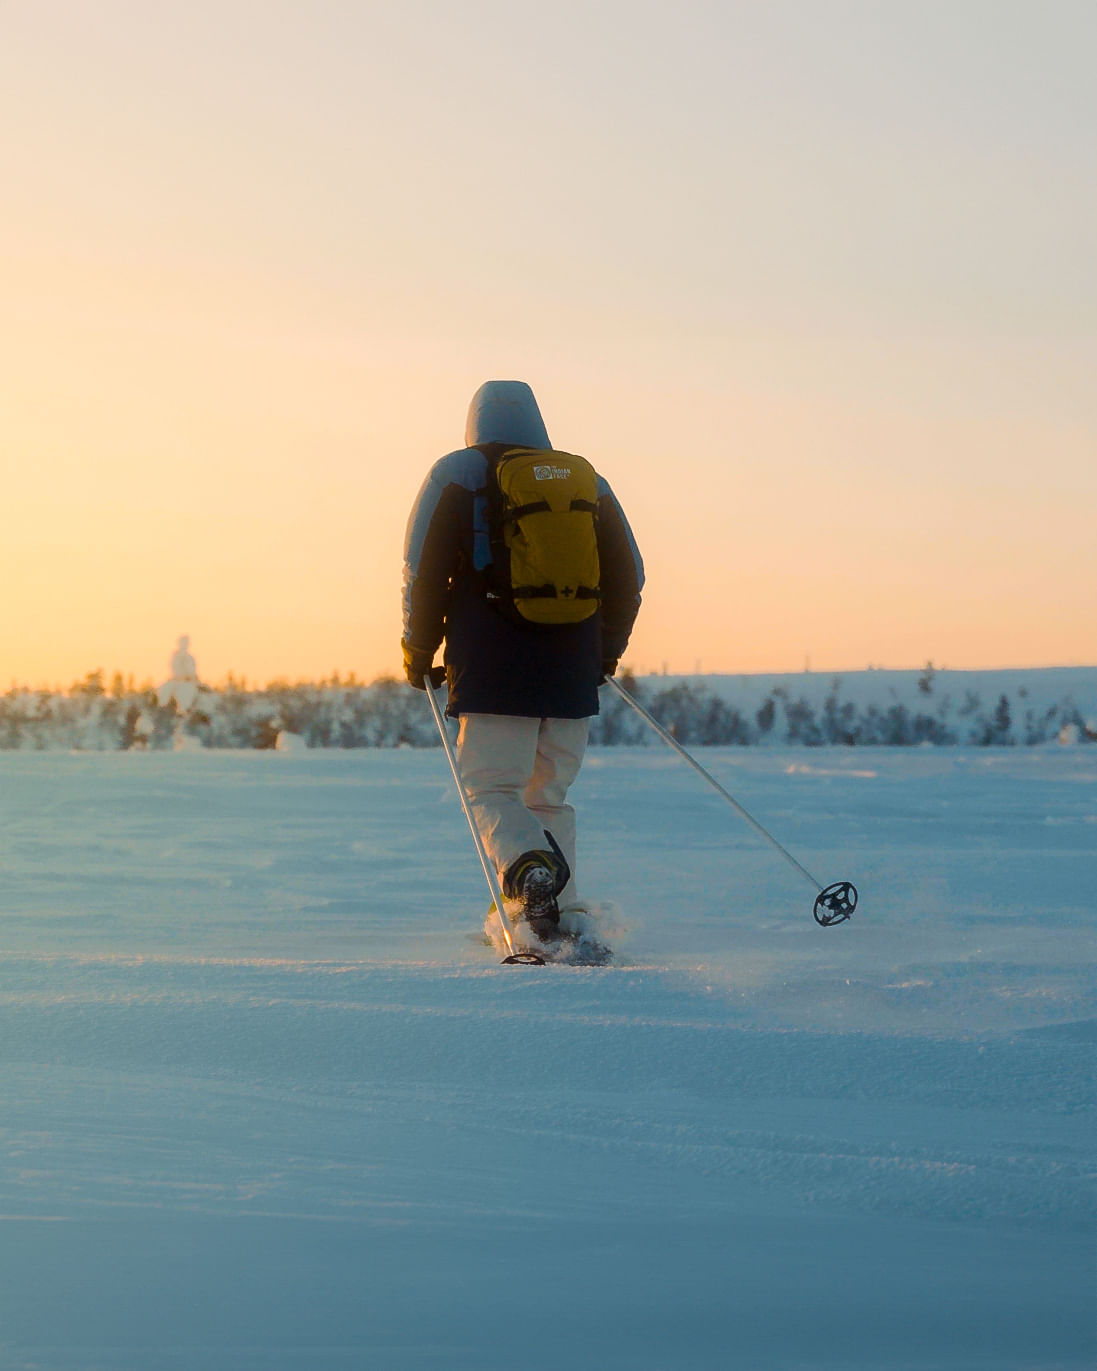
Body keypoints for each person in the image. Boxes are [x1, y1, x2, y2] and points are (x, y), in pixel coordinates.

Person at [401, 380, 643, 939]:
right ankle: (561, 915)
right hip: (572, 670)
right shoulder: (587, 480)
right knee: (548, 795)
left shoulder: (457, 473)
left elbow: (423, 570)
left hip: (493, 668)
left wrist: (418, 651)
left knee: (490, 789)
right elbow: (629, 575)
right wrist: (603, 655)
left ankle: (529, 872)